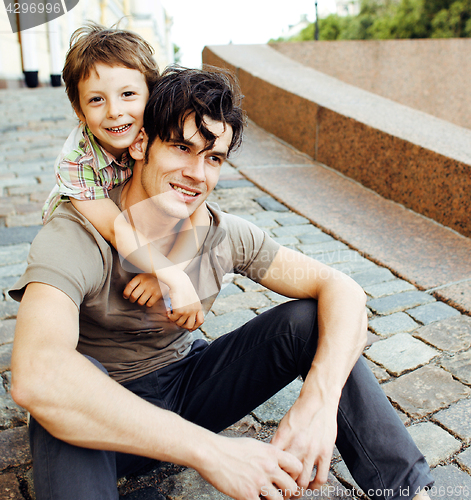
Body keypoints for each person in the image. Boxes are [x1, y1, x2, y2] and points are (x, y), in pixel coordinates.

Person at [10, 66, 433, 500]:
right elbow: (35, 375)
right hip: (104, 420)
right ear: (140, 144)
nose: (197, 173)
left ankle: (407, 493)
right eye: (181, 148)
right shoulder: (76, 235)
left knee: (310, 320)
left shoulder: (221, 234)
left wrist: (320, 404)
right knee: (60, 395)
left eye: (213, 158)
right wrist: (214, 453)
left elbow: (342, 290)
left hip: (187, 389)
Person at [42, 22, 205, 331]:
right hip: (93, 227)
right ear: (79, 110)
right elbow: (116, 231)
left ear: (151, 95)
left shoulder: (157, 133)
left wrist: (169, 274)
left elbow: (199, 213)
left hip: (137, 224)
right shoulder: (77, 161)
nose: (115, 111)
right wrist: (174, 276)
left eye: (128, 94)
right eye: (96, 100)